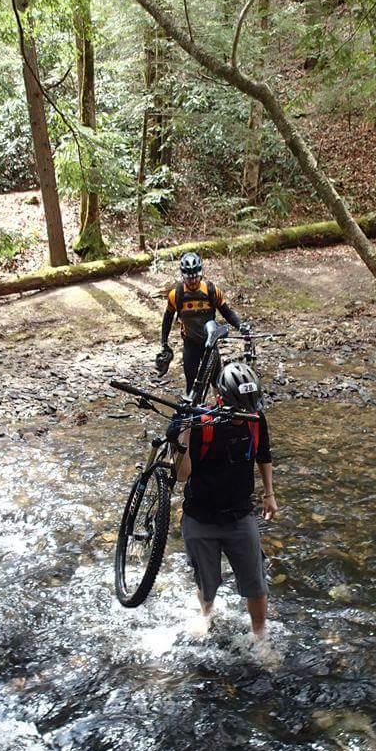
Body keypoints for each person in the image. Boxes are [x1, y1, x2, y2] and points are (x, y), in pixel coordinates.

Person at [176, 361, 277, 637]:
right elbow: (183, 475)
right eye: (239, 409)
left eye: (249, 407)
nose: (245, 415)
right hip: (200, 517)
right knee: (207, 583)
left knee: (255, 584)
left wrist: (269, 494)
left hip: (240, 516)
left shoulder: (256, 419)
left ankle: (259, 636)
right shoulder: (201, 425)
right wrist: (183, 434)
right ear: (221, 399)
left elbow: (264, 455)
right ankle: (205, 614)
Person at [156, 251, 246, 394]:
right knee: (191, 382)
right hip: (190, 344)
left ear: (201, 273)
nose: (192, 282)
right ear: (183, 275)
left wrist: (240, 326)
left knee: (217, 381)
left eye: (195, 277)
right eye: (189, 278)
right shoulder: (176, 294)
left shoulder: (211, 290)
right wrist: (164, 344)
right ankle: (193, 413)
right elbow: (167, 319)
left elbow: (226, 312)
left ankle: (220, 409)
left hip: (210, 344)